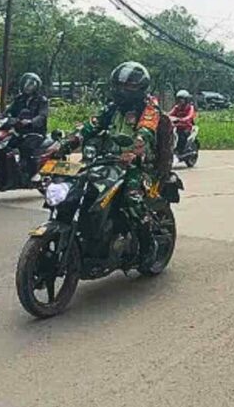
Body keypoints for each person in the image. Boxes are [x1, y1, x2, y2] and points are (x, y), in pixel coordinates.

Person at [61, 61, 167, 272]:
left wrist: (135, 149)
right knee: (79, 187)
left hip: (140, 165)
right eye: (119, 85)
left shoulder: (149, 107)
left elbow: (146, 131)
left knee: (131, 199)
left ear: (140, 88)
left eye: (128, 86)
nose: (122, 90)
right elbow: (91, 125)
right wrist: (67, 143)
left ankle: (148, 247)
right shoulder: (112, 108)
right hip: (109, 160)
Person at [0, 72, 49, 183]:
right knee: (5, 145)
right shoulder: (19, 99)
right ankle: (10, 172)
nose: (27, 87)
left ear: (36, 86)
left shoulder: (42, 100)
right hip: (19, 132)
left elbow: (42, 116)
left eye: (31, 84)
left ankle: (34, 173)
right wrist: (0, 117)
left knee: (26, 147)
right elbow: (9, 111)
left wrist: (31, 122)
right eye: (26, 84)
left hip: (35, 133)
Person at [169, 89, 196, 155]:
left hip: (186, 127)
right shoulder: (177, 107)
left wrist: (182, 119)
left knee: (182, 136)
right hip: (176, 126)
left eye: (182, 99)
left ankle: (180, 151)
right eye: (179, 99)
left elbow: (190, 116)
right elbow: (170, 114)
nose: (180, 101)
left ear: (186, 100)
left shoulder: (190, 107)